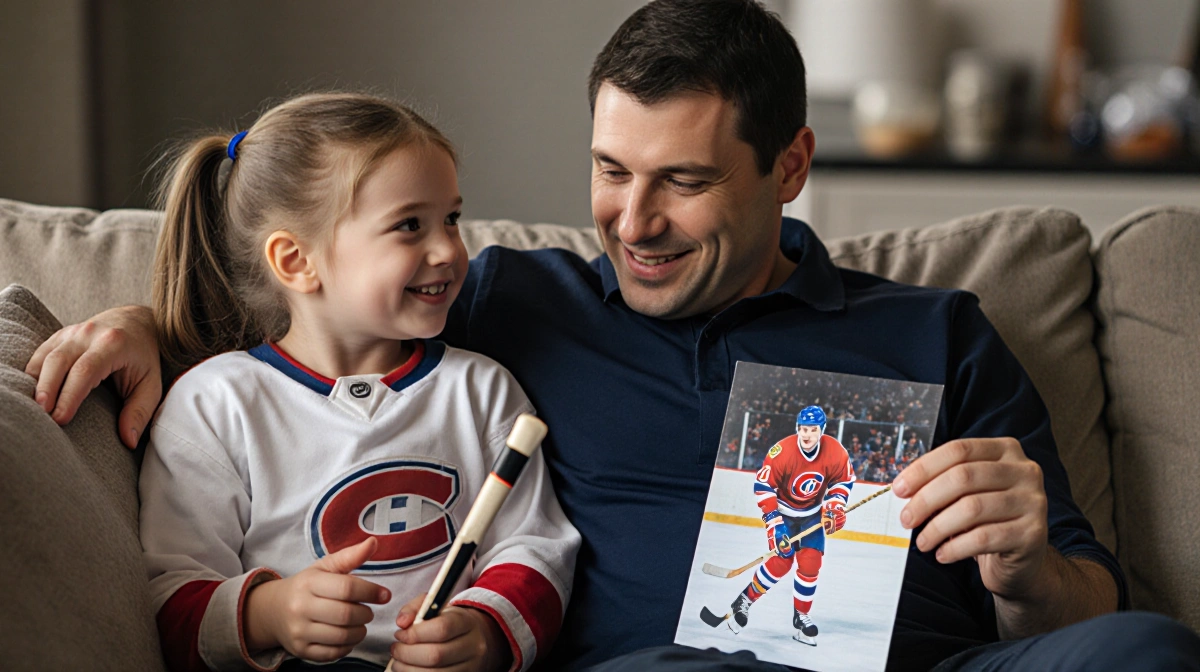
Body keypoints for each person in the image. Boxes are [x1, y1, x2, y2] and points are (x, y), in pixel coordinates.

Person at [25, 1, 1200, 670]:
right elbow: (311, 328)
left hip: (932, 666)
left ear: (789, 167)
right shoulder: (508, 303)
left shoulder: (936, 330)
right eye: (608, 170)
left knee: (1143, 650)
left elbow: (1077, 603)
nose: (631, 224)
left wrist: (1029, 572)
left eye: (682, 182)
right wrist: (146, 323)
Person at [130, 93, 578, 672]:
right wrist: (269, 612)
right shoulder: (215, 405)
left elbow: (536, 549)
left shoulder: (483, 391)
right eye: (410, 225)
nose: (448, 249)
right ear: (295, 261)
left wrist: (485, 632)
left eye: (451, 219)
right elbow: (167, 598)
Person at [726, 406, 854, 645]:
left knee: (811, 562)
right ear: (797, 428)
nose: (807, 435)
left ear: (822, 430)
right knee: (782, 561)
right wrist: (774, 523)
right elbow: (763, 487)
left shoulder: (835, 451)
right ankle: (744, 600)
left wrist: (835, 504)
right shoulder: (781, 452)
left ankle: (801, 616)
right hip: (782, 514)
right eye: (803, 429)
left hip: (812, 515)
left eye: (813, 430)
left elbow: (844, 481)